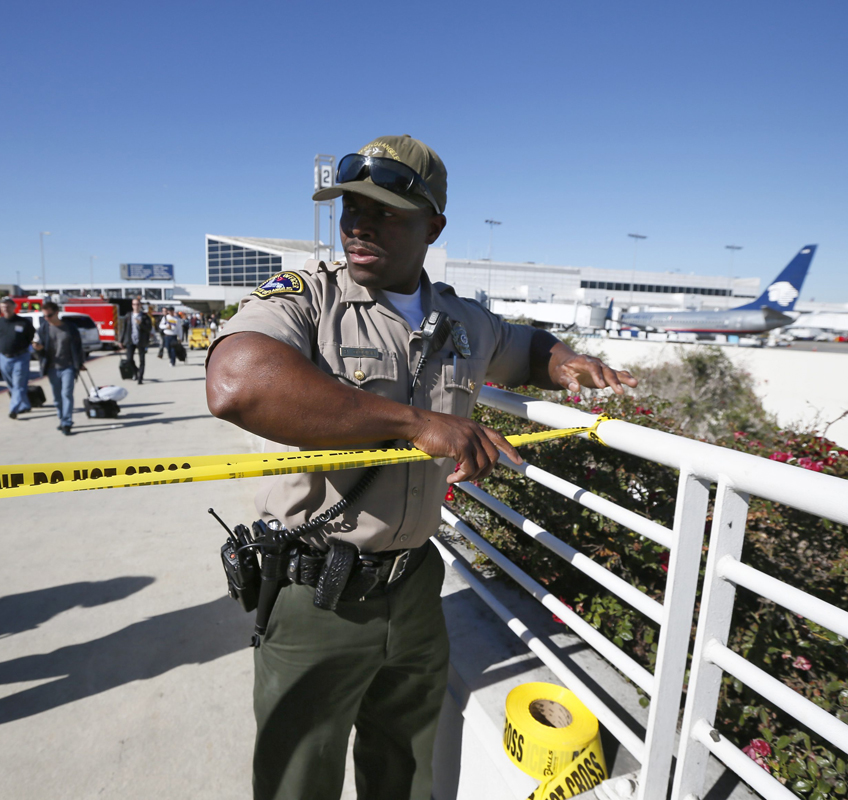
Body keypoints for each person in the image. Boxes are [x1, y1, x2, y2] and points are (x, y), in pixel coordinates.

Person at [205, 135, 637, 800]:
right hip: (316, 595)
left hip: (414, 587)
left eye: (385, 211)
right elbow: (237, 383)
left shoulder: (460, 321)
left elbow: (524, 348)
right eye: (351, 205)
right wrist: (418, 424)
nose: (358, 222)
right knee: (298, 785)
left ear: (433, 225)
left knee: (404, 774)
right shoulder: (306, 298)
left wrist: (565, 362)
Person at [33, 301, 84, 436]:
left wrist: (80, 363)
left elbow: (78, 347)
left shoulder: (70, 328)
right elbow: (38, 346)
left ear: (57, 313)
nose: (46, 318)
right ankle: (62, 419)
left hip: (68, 366)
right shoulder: (43, 329)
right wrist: (38, 348)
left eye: (49, 315)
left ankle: (67, 423)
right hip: (52, 368)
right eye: (44, 316)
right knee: (57, 398)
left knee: (66, 394)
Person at [0, 297, 35, 419]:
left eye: (9, 306)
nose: (6, 308)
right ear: (0, 308)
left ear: (14, 307)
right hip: (4, 357)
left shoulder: (23, 322)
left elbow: (31, 336)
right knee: (12, 385)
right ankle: (25, 405)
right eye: (3, 306)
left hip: (20, 357)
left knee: (19, 384)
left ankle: (14, 409)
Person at [117, 297, 151, 384]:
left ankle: (140, 378)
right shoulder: (128, 316)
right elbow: (124, 329)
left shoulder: (144, 316)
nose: (135, 306)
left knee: (142, 360)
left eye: (137, 304)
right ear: (132, 306)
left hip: (141, 341)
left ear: (140, 305)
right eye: (134, 304)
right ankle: (136, 372)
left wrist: (141, 324)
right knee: (129, 359)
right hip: (130, 340)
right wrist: (121, 340)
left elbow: (148, 329)